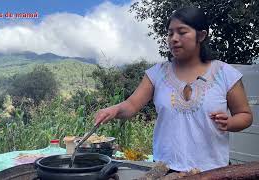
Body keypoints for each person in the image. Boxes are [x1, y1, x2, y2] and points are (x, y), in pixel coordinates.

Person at [94, 7, 253, 172]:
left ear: (201, 35)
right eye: (170, 34)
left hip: (212, 169)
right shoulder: (157, 73)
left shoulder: (224, 73)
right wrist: (114, 109)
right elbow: (131, 105)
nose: (174, 39)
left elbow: (245, 115)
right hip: (166, 169)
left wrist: (231, 123)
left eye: (182, 32)